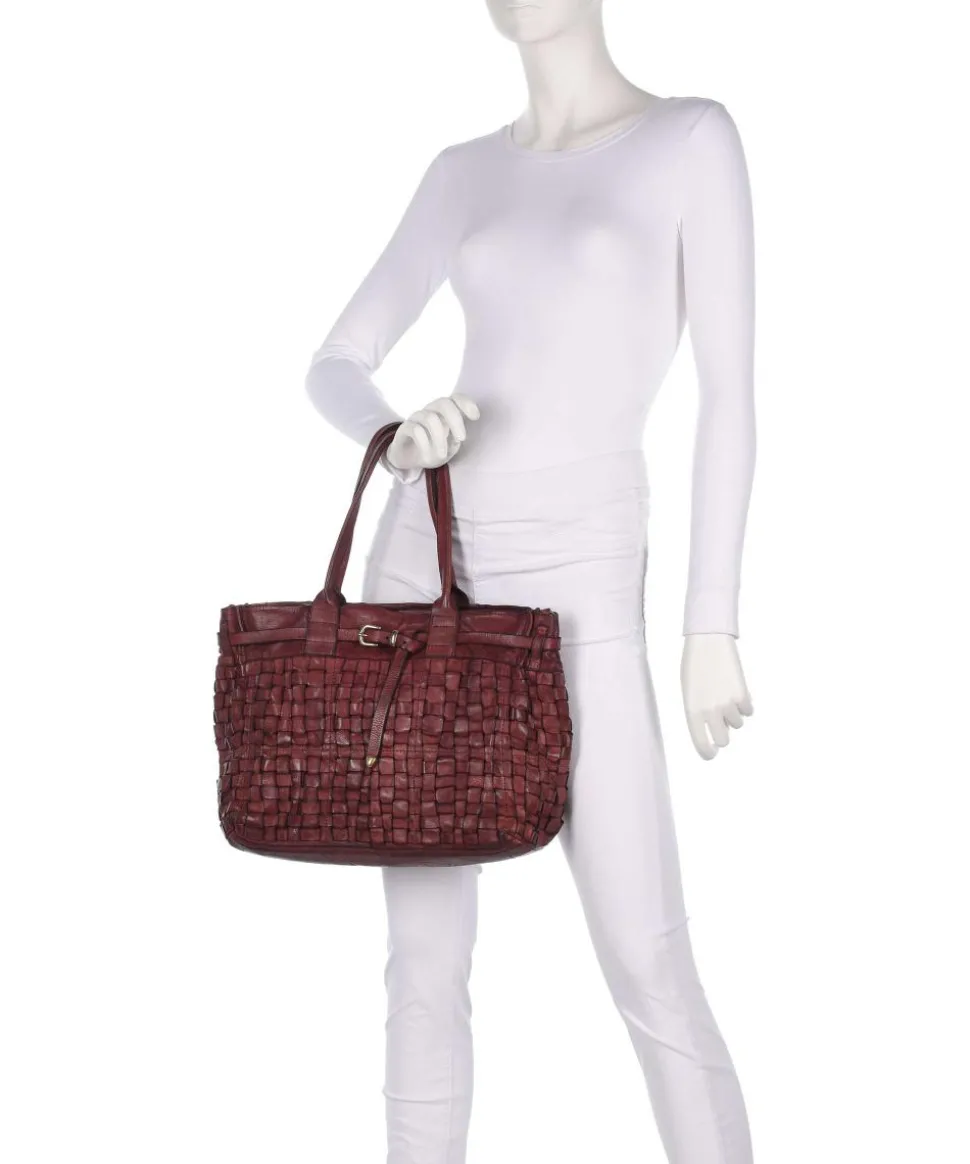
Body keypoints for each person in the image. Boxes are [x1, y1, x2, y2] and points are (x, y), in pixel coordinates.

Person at [304, 4, 756, 1161]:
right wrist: (395, 434)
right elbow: (337, 359)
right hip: (422, 564)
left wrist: (709, 622)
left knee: (646, 956)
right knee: (423, 965)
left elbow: (728, 395)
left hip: (581, 575)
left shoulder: (689, 138)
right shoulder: (462, 172)